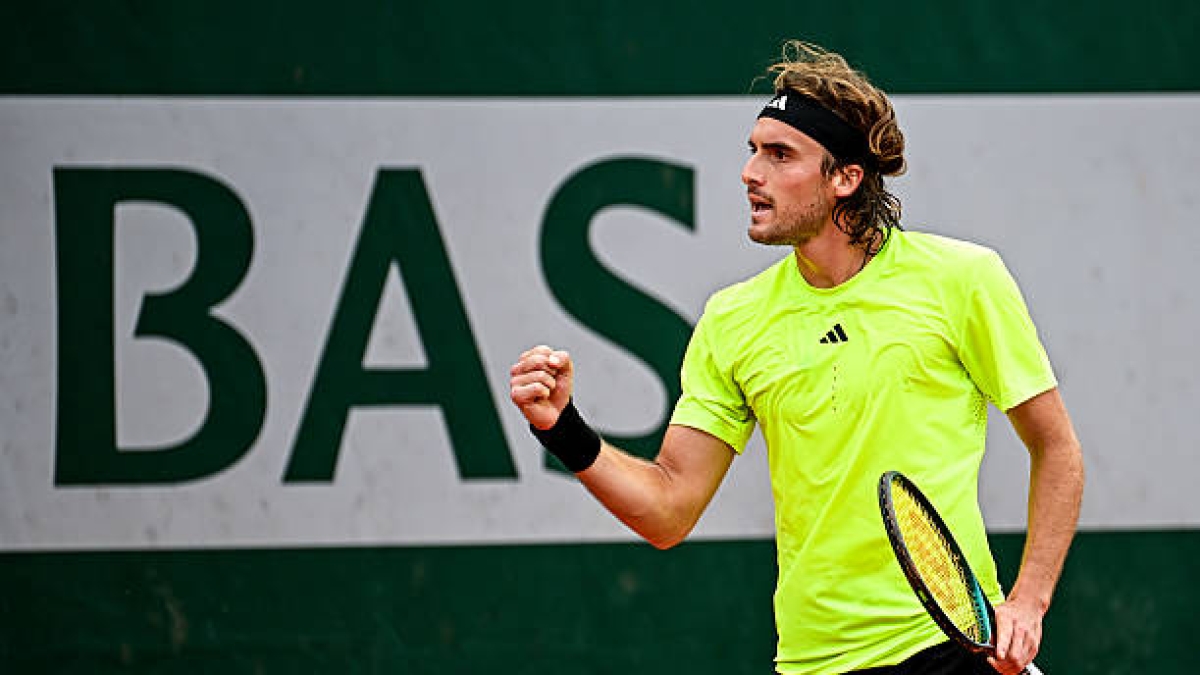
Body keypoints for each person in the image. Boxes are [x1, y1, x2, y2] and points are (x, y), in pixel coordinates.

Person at [509, 41, 1084, 675]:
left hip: (947, 648)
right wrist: (562, 428)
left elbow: (1056, 448)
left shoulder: (963, 280)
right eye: (752, 151)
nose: (751, 172)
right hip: (811, 662)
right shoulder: (734, 320)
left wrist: (1027, 602)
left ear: (845, 177)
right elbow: (668, 509)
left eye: (780, 155)